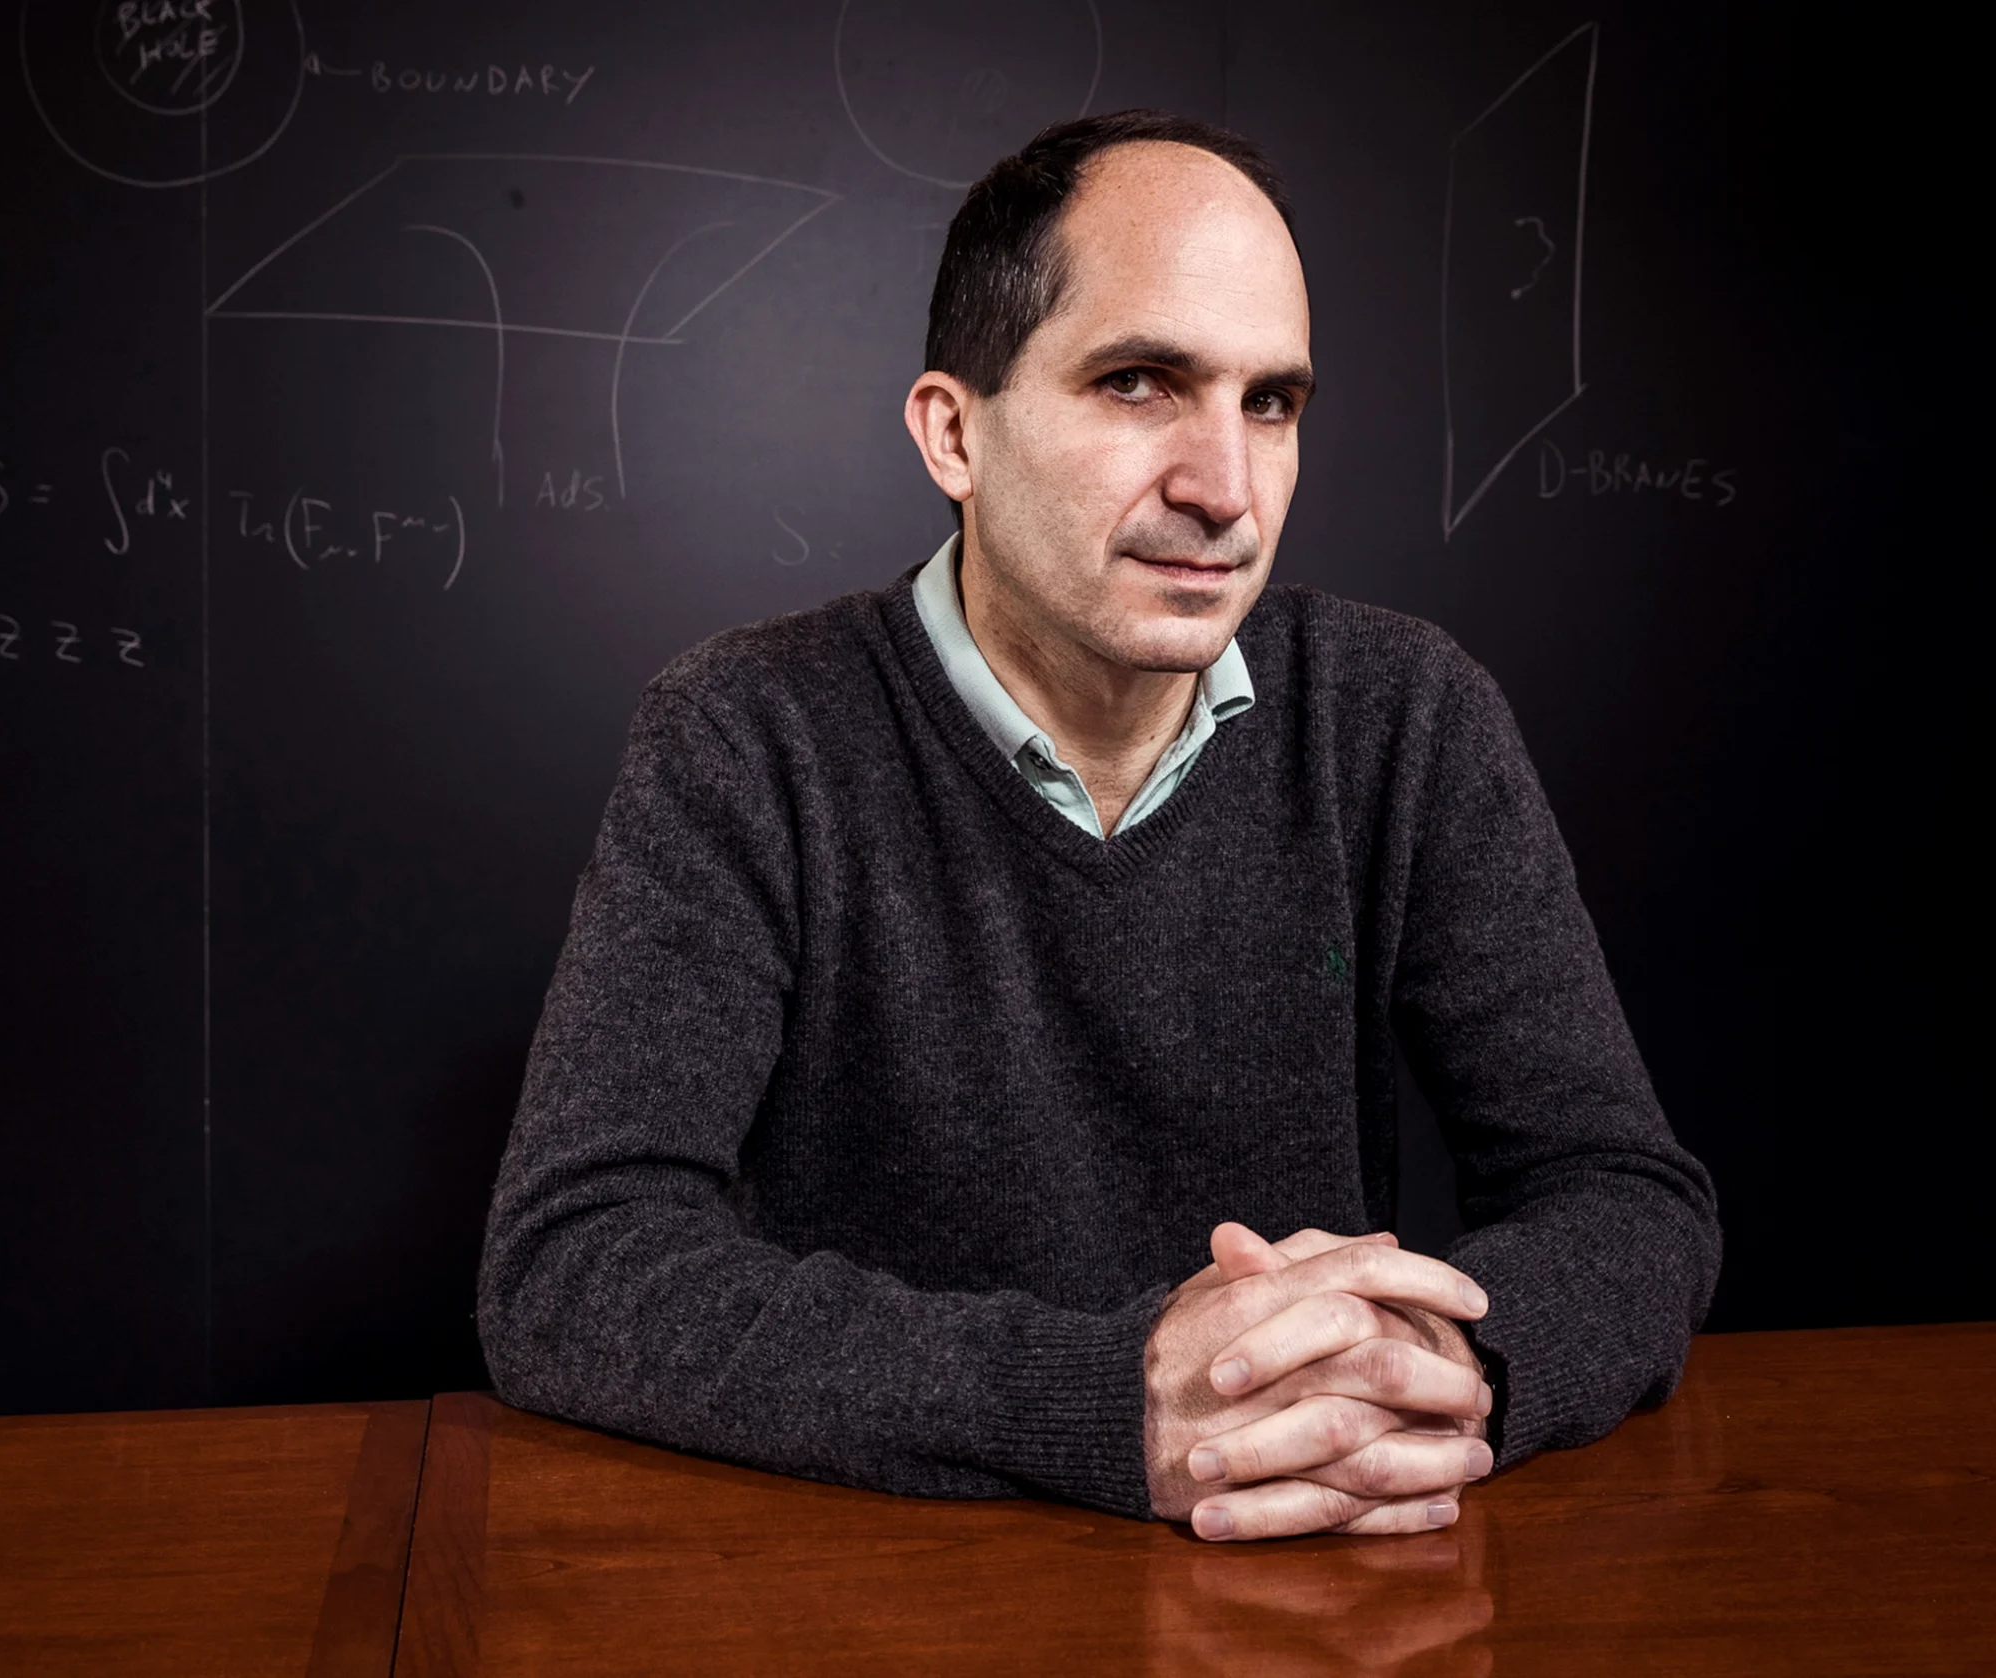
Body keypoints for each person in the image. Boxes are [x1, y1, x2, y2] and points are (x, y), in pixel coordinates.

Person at [477, 111, 1719, 1541]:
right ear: (955, 430)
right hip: (891, 1595)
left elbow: (1628, 1197)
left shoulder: (1404, 719)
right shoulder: (747, 736)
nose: (1224, 490)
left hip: (1311, 1577)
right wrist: (1103, 1399)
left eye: (1270, 403)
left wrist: (1442, 1373)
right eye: (1140, 384)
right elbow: (571, 1267)